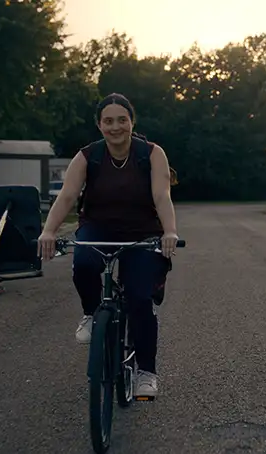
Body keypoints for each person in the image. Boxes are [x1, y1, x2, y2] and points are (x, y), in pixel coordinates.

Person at [37, 93, 180, 398]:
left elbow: (161, 196)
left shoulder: (152, 154)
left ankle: (145, 373)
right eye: (108, 121)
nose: (116, 127)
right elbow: (66, 197)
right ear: (100, 125)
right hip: (97, 227)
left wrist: (169, 231)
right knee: (84, 263)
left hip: (142, 233)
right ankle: (91, 313)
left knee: (140, 298)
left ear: (132, 122)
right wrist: (48, 231)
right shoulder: (88, 156)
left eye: (122, 120)